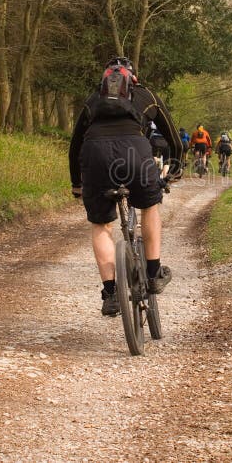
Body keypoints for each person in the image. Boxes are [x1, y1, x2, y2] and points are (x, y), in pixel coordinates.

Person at [69, 57, 183, 316]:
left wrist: (77, 184)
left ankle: (110, 294)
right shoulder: (146, 96)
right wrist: (175, 169)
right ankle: (154, 273)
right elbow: (173, 140)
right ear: (133, 79)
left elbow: (75, 145)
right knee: (150, 206)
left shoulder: (92, 100)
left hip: (95, 155)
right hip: (134, 153)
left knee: (101, 225)